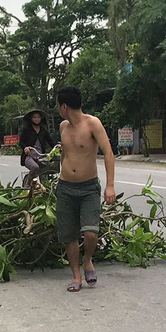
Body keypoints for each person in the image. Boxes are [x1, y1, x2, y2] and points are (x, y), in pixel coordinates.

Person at [56, 86, 116, 292]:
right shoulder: (63, 126)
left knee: (90, 232)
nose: (58, 109)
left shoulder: (93, 123)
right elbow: (64, 153)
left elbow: (108, 153)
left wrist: (109, 185)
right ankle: (75, 275)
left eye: (57, 106)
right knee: (69, 235)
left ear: (63, 106)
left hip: (89, 187)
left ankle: (87, 259)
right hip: (65, 188)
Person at [18, 109, 55, 187]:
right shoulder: (26, 130)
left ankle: (44, 187)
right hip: (29, 156)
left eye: (38, 117)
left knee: (46, 171)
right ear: (31, 119)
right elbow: (21, 142)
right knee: (35, 167)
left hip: (41, 156)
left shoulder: (44, 131)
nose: (37, 119)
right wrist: (25, 148)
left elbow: (51, 142)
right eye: (34, 117)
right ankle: (27, 184)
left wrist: (57, 146)